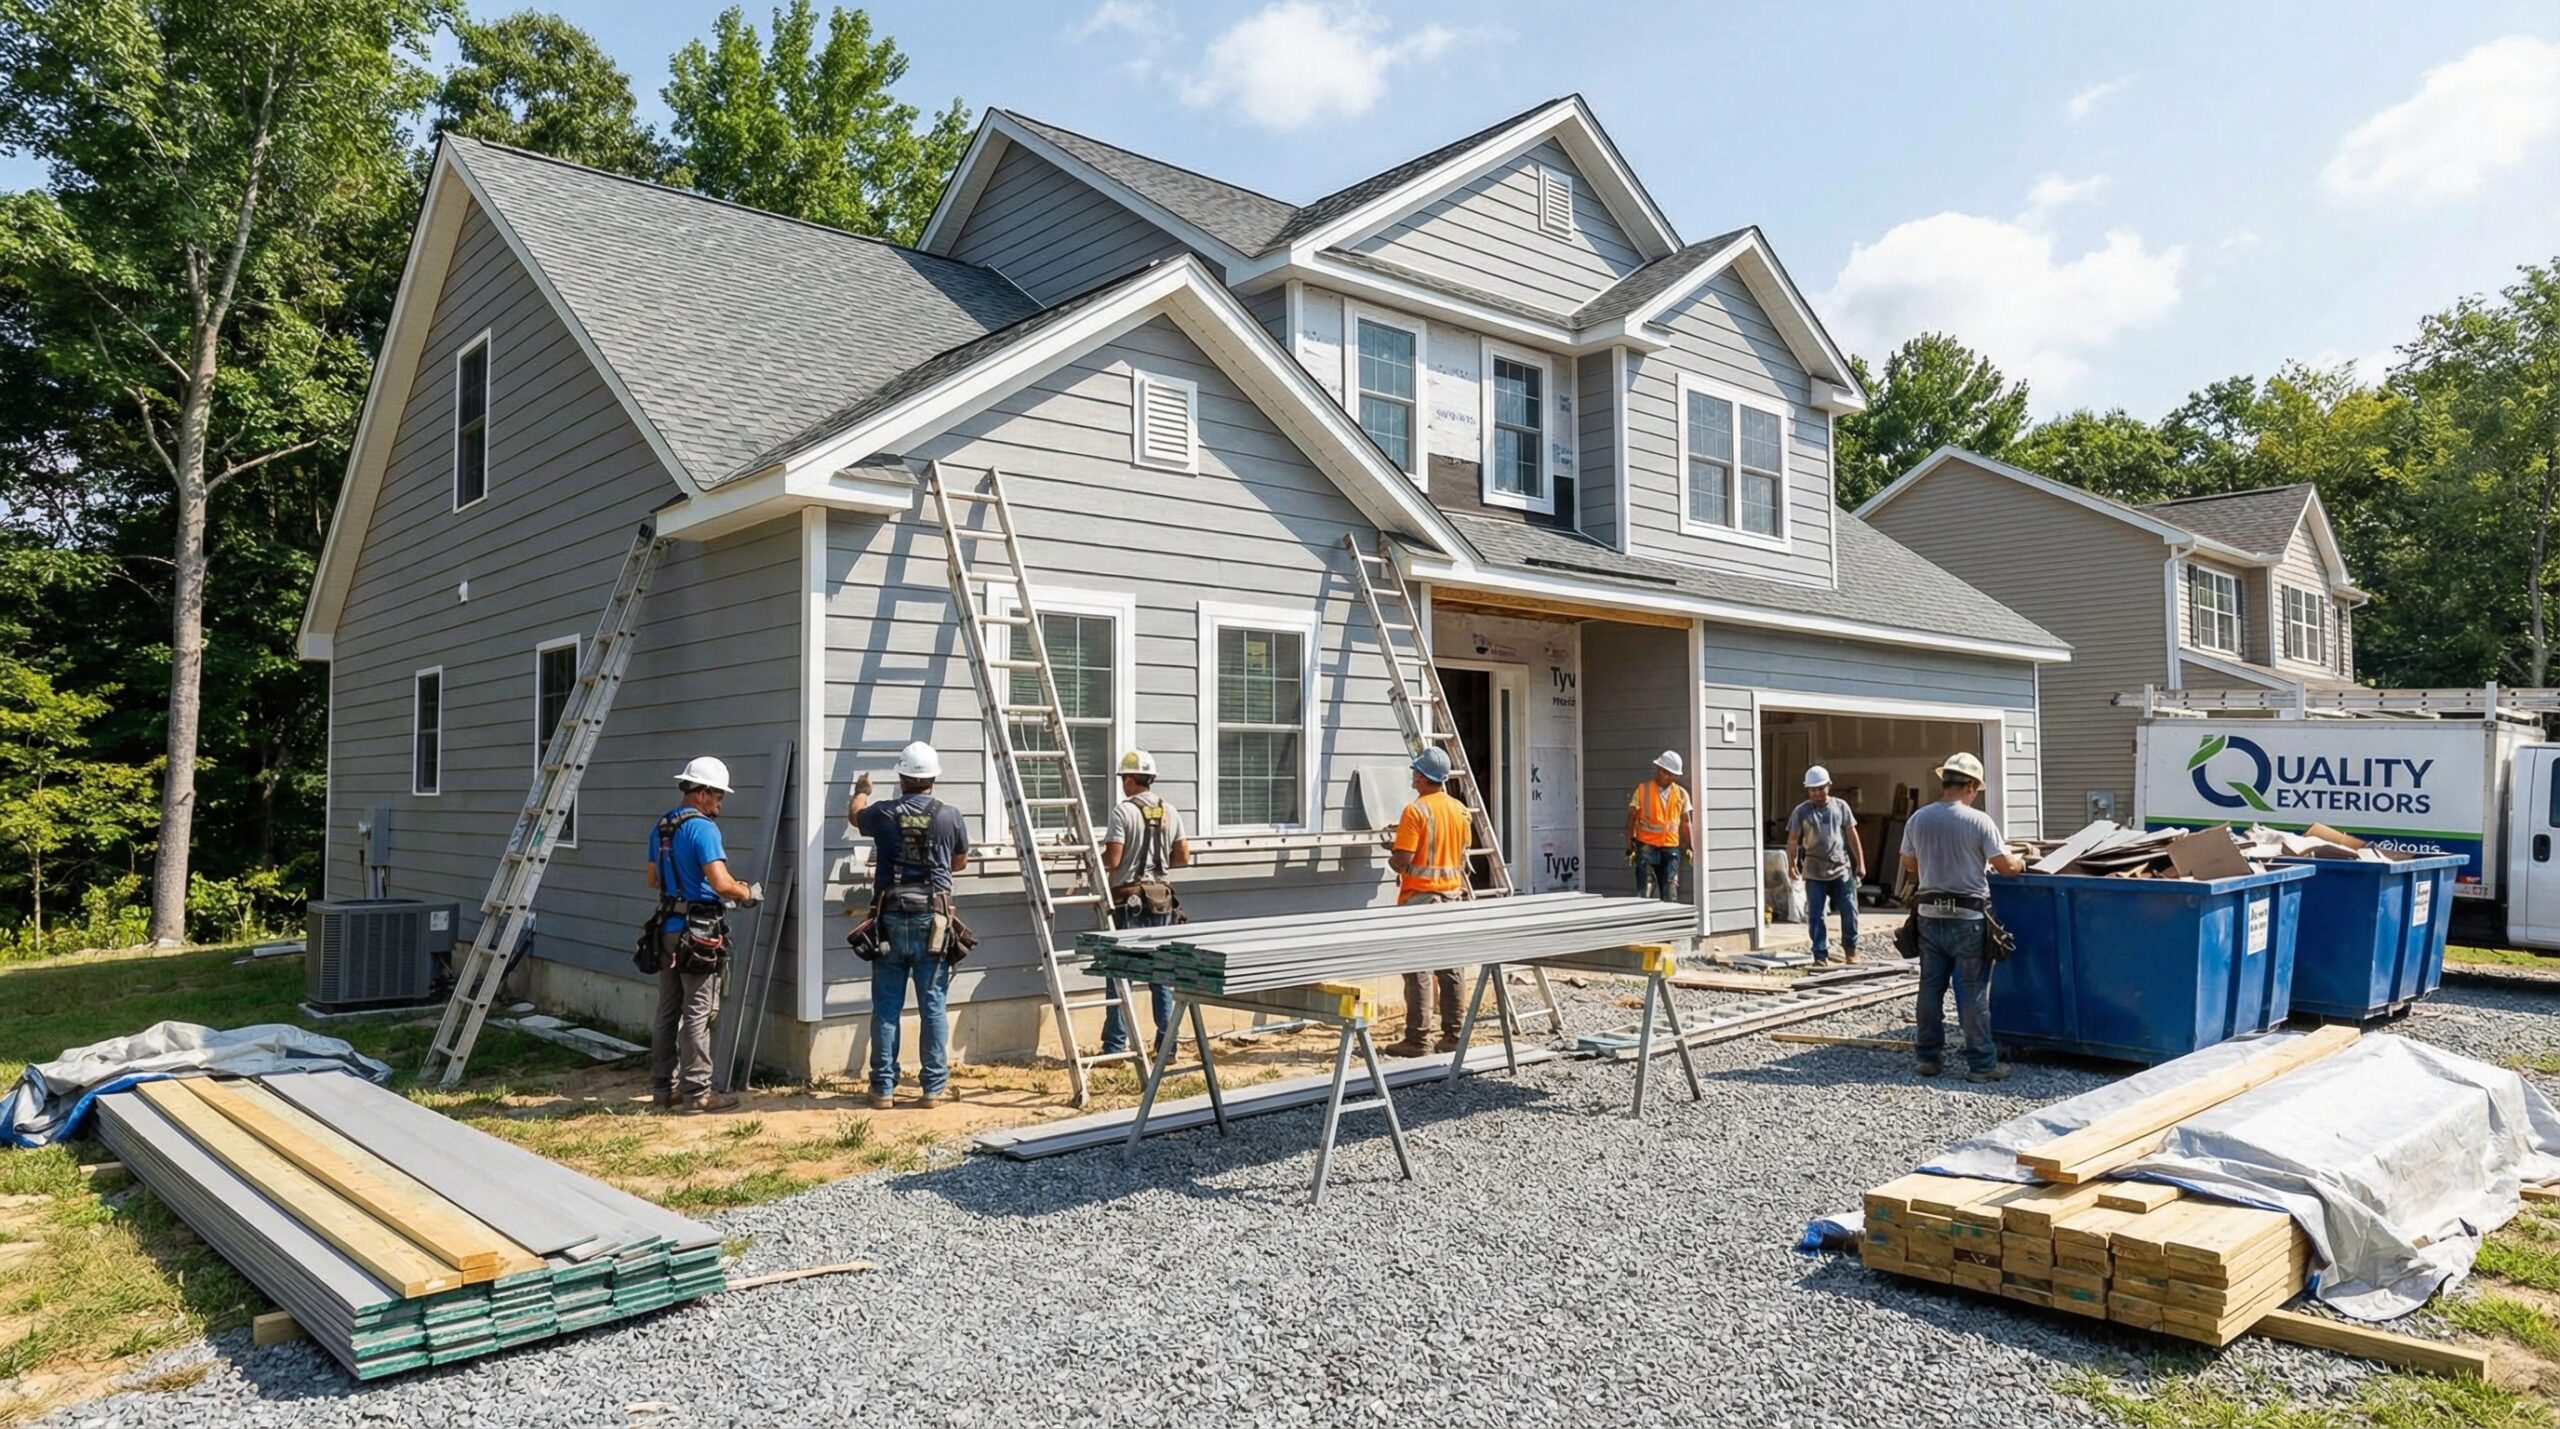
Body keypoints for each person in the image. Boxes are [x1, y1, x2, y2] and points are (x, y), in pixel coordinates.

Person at [848, 741, 971, 1111]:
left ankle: (883, 1088)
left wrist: (861, 790)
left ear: (902, 778)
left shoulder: (883, 813)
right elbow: (959, 862)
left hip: (889, 918)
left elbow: (856, 816)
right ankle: (932, 1089)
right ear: (933, 778)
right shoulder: (950, 816)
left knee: (887, 1006)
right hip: (933, 920)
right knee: (932, 1005)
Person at [1899, 751, 2025, 1083]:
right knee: (1972, 991)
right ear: (1970, 785)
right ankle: (1982, 1066)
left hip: (1928, 914)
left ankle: (1928, 1059)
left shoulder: (1919, 819)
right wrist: (2022, 860)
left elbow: (1909, 864)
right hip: (1968, 918)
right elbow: (2006, 868)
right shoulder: (1978, 821)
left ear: (1946, 782)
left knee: (1930, 987)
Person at [645, 756, 760, 1114]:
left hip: (667, 928)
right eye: (718, 796)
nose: (720, 803)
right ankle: (697, 1093)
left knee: (668, 1010)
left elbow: (653, 879)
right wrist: (747, 892)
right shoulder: (704, 829)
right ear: (702, 792)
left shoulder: (663, 826)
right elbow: (721, 883)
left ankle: (663, 1090)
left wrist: (681, 883)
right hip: (699, 933)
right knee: (698, 1012)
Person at [1101, 749, 1190, 1058]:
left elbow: (1113, 859)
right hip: (1161, 900)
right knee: (1161, 976)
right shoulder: (1170, 810)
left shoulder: (1123, 812)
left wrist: (1093, 859)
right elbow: (1183, 857)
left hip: (1129, 902)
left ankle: (1115, 1046)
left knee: (1119, 972)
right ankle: (1167, 1047)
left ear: (1129, 779)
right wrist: (1157, 863)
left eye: (1123, 778)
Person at [1385, 745, 1471, 1057]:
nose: (1412, 776)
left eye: (1415, 772)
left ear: (1423, 777)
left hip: (1421, 899)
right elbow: (1455, 849)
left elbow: (1404, 860)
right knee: (1450, 967)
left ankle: (1417, 1040)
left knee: (1417, 968)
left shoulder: (1415, 811)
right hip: (1451, 897)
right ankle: (1454, 1036)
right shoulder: (1460, 810)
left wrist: (1394, 854)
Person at [1787, 765, 1867, 966]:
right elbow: (1793, 839)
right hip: (1814, 869)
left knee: (1850, 910)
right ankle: (1820, 955)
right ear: (1807, 790)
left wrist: (1860, 863)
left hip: (1841, 867)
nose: (1817, 793)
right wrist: (1791, 864)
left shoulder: (1841, 807)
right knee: (1816, 915)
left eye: (1820, 789)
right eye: (1812, 790)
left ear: (1828, 786)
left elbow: (1852, 835)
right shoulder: (1801, 811)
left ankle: (1851, 949)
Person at [1625, 750, 1696, 902]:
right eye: (1660, 770)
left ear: (1673, 775)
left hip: (1671, 848)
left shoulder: (1681, 794)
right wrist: (1629, 846)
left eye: (1666, 772)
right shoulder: (1643, 790)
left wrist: (1690, 846)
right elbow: (1631, 818)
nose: (1660, 773)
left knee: (1670, 890)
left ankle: (1670, 917)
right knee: (1645, 890)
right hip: (1647, 846)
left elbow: (1685, 821)